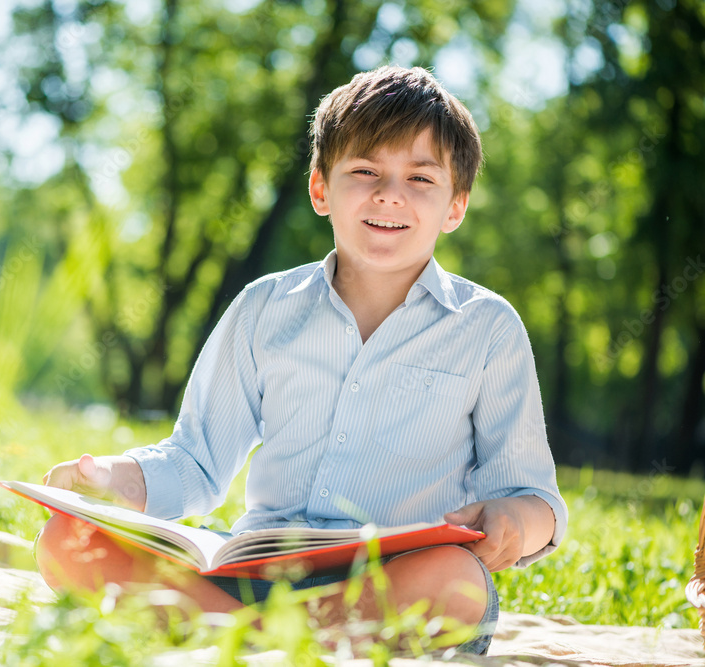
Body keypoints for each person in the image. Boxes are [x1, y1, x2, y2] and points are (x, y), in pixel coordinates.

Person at [36, 65, 568, 655]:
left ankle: (231, 634)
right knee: (68, 540)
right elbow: (195, 460)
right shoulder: (265, 307)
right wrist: (109, 479)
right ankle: (275, 633)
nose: (389, 193)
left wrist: (515, 523)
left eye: (420, 178)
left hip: (393, 579)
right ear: (321, 189)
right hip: (258, 573)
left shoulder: (488, 328)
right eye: (365, 171)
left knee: (456, 585)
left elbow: (532, 494)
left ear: (455, 207)